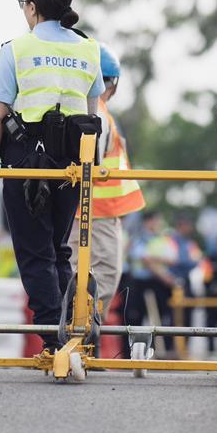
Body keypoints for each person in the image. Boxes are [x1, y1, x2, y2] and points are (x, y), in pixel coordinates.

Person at [0, 0, 103, 353]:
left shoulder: (17, 49)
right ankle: (74, 331)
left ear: (32, 7)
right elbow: (93, 113)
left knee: (34, 255)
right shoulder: (89, 48)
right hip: (72, 166)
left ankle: (53, 336)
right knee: (58, 250)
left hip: (28, 165)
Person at [69, 45, 145, 316]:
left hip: (88, 213)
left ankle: (79, 336)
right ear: (111, 82)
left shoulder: (87, 108)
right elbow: (92, 164)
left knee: (82, 278)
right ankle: (81, 337)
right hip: (94, 215)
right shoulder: (97, 110)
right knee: (101, 278)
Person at [123, 211, 178, 354]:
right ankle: (133, 352)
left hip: (158, 284)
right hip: (140, 283)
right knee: (136, 320)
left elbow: (172, 259)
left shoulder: (161, 239)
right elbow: (144, 260)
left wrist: (155, 259)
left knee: (162, 318)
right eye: (156, 220)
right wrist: (164, 276)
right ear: (148, 222)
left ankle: (160, 351)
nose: (158, 224)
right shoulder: (138, 238)